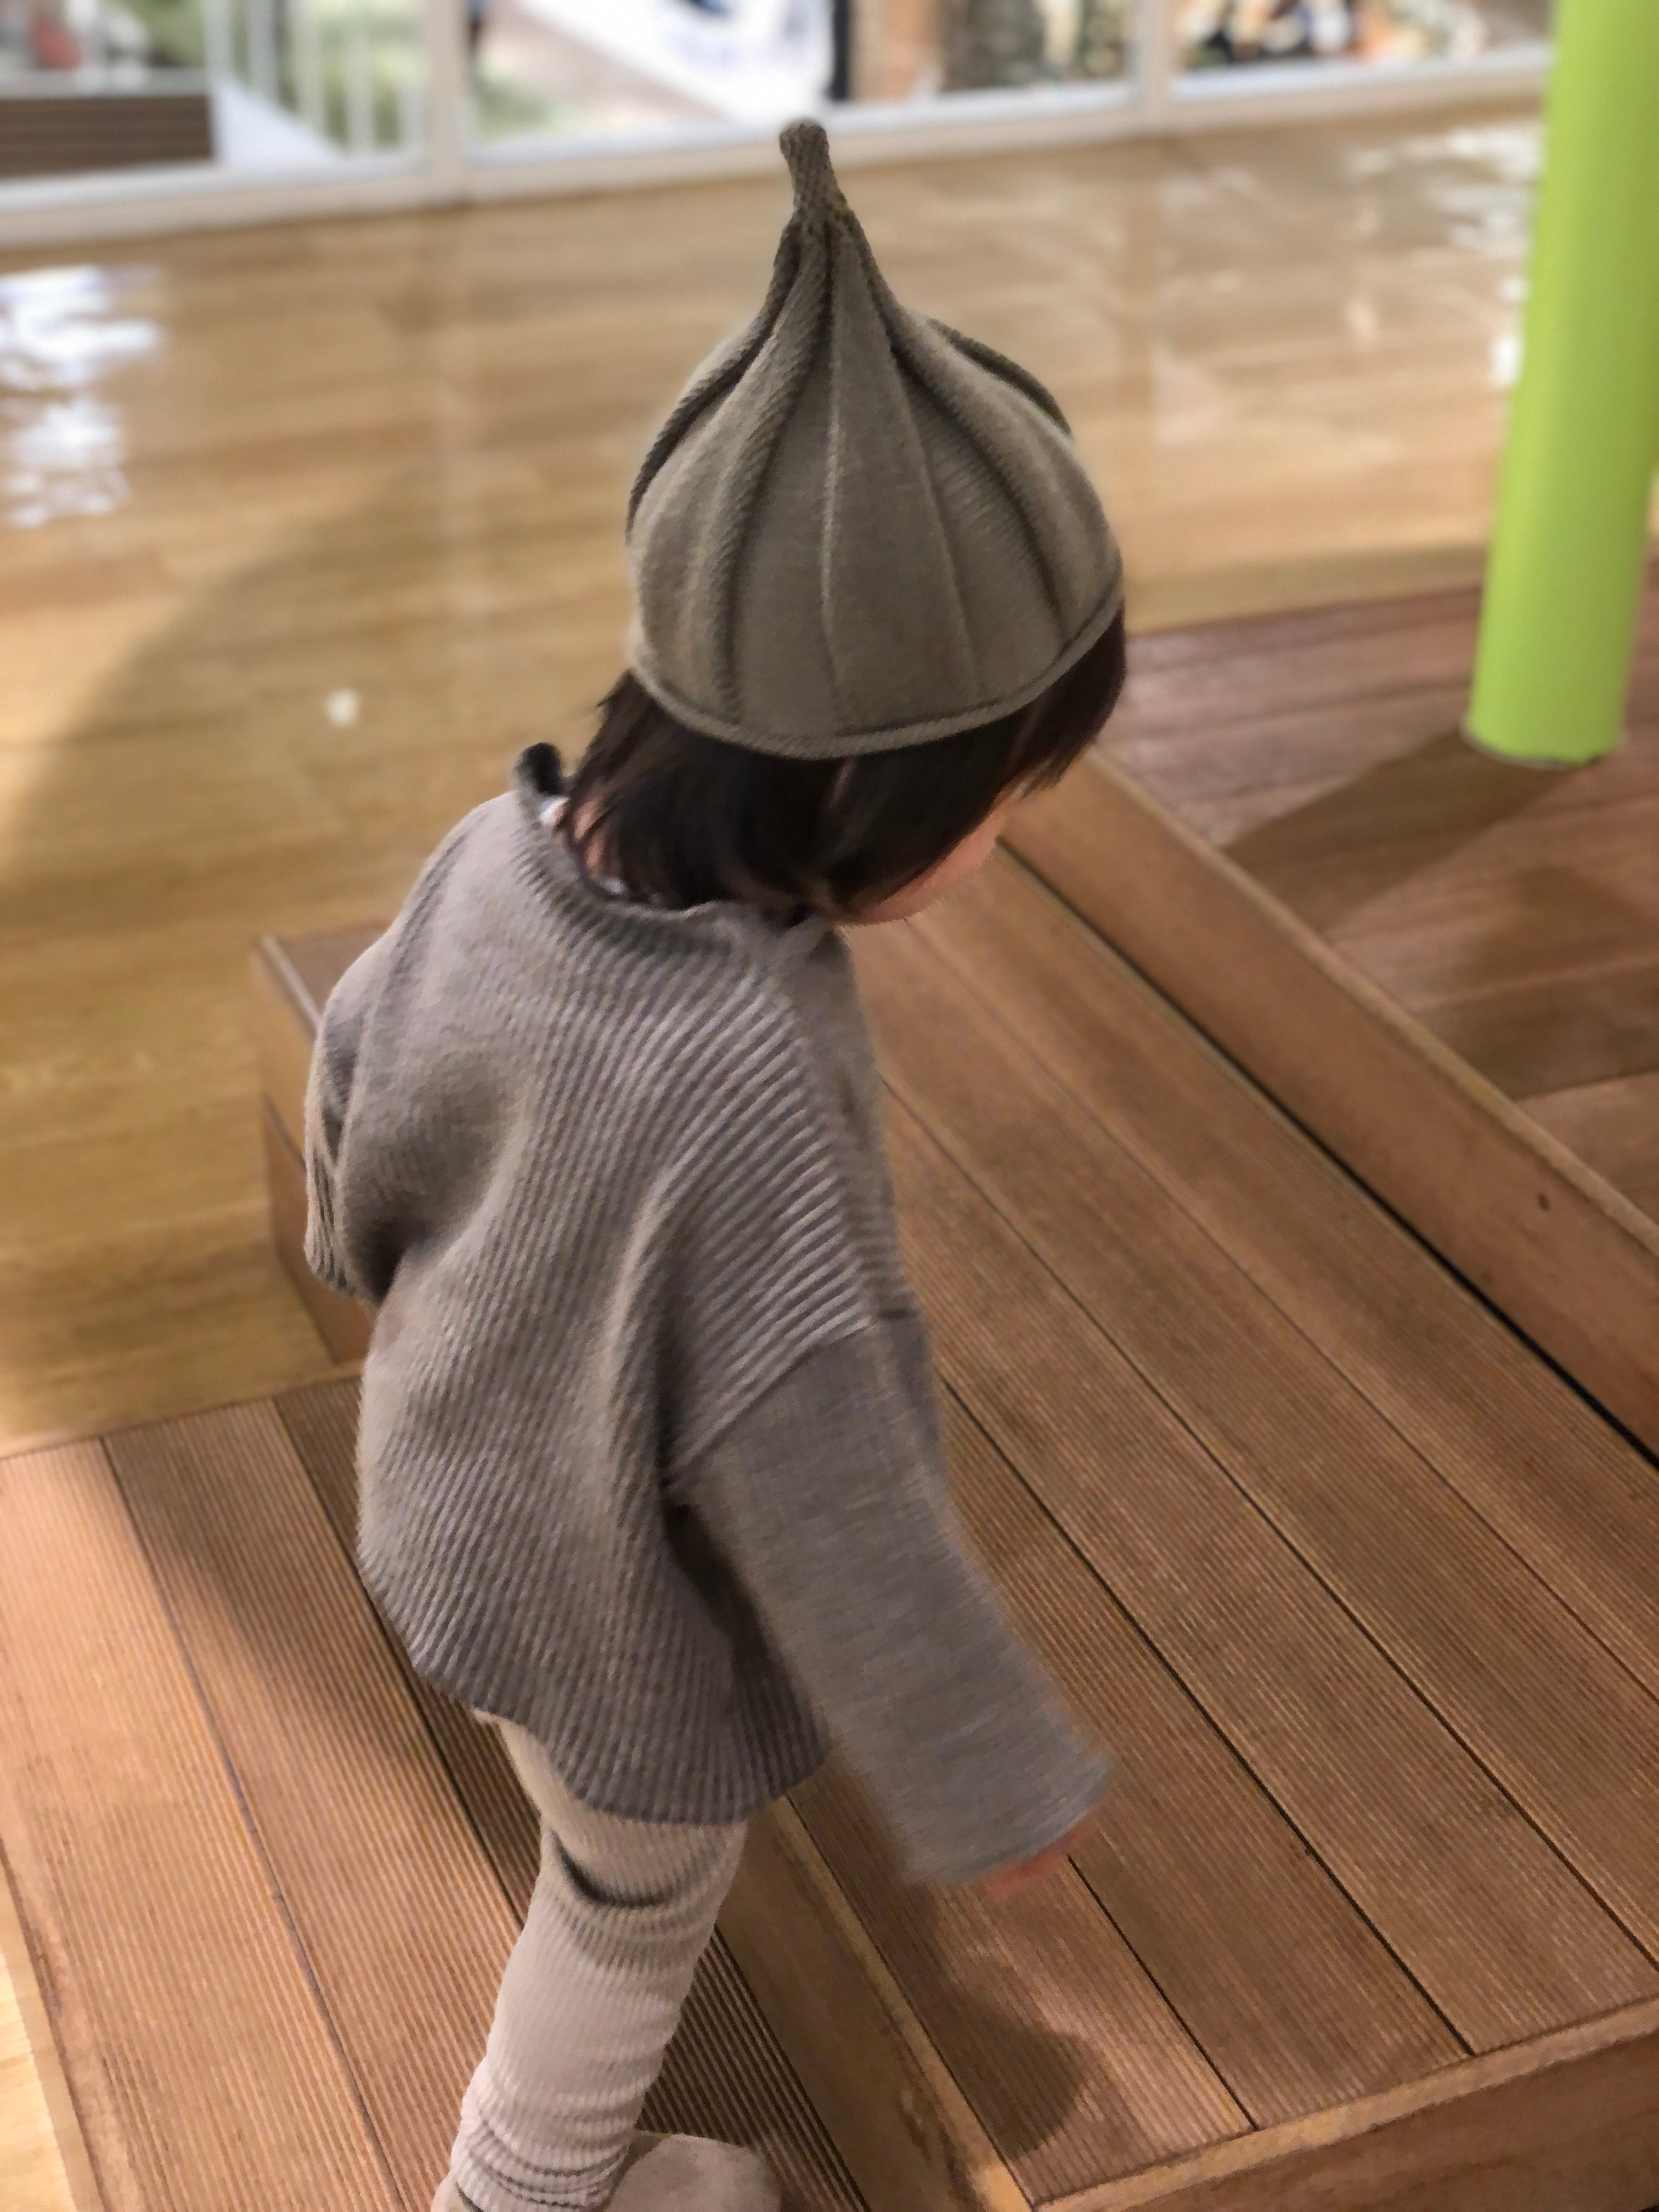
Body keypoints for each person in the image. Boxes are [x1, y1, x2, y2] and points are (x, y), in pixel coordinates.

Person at [304, 117, 1127, 2212]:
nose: (1004, 839)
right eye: (1002, 793)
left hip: (443, 1484)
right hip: (599, 1608)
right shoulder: (749, 1072)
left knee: (592, 1852)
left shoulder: (502, 850)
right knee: (632, 1904)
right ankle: (522, 2192)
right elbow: (818, 1458)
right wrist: (983, 1773)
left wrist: (352, 1244)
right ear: (859, 785)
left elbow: (354, 1066)